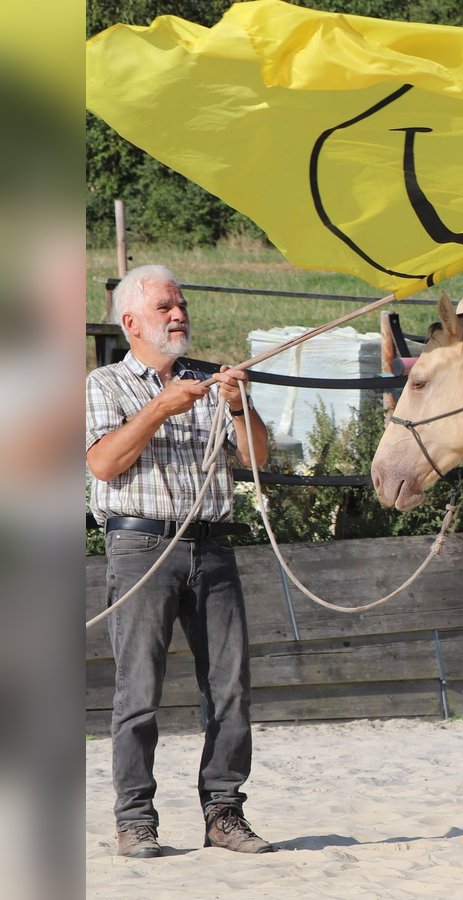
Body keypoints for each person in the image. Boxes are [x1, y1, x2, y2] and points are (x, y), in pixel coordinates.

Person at [85, 265, 272, 858]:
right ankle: (135, 818)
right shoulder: (104, 384)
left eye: (182, 304)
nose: (178, 314)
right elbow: (103, 464)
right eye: (165, 306)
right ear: (132, 321)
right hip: (141, 548)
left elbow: (259, 459)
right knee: (138, 689)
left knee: (230, 687)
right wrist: (161, 408)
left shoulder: (212, 380)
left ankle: (224, 812)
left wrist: (241, 408)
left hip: (212, 543)